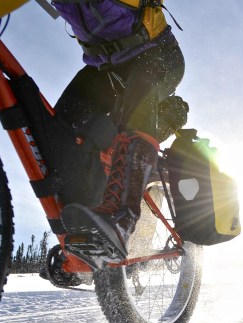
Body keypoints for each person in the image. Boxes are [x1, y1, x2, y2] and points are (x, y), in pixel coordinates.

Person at [49, 0, 190, 262]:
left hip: (157, 52)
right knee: (58, 130)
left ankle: (121, 218)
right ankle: (82, 238)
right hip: (106, 68)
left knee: (140, 95)